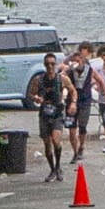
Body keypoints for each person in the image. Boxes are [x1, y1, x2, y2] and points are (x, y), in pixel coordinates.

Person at [24, 48, 70, 180]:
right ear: (44, 65)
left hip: (57, 112)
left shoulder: (62, 79)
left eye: (52, 64)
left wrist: (72, 103)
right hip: (44, 113)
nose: (50, 66)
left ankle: (58, 167)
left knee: (56, 140)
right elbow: (30, 94)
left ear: (55, 65)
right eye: (47, 64)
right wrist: (36, 98)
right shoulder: (39, 80)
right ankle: (52, 169)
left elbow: (72, 90)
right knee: (47, 144)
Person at [64, 43, 96, 168]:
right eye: (75, 61)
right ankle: (75, 152)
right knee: (72, 129)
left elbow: (98, 78)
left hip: (84, 101)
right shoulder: (70, 71)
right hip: (71, 102)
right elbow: (61, 73)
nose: (76, 63)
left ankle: (81, 146)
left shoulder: (89, 69)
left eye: (78, 61)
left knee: (82, 126)